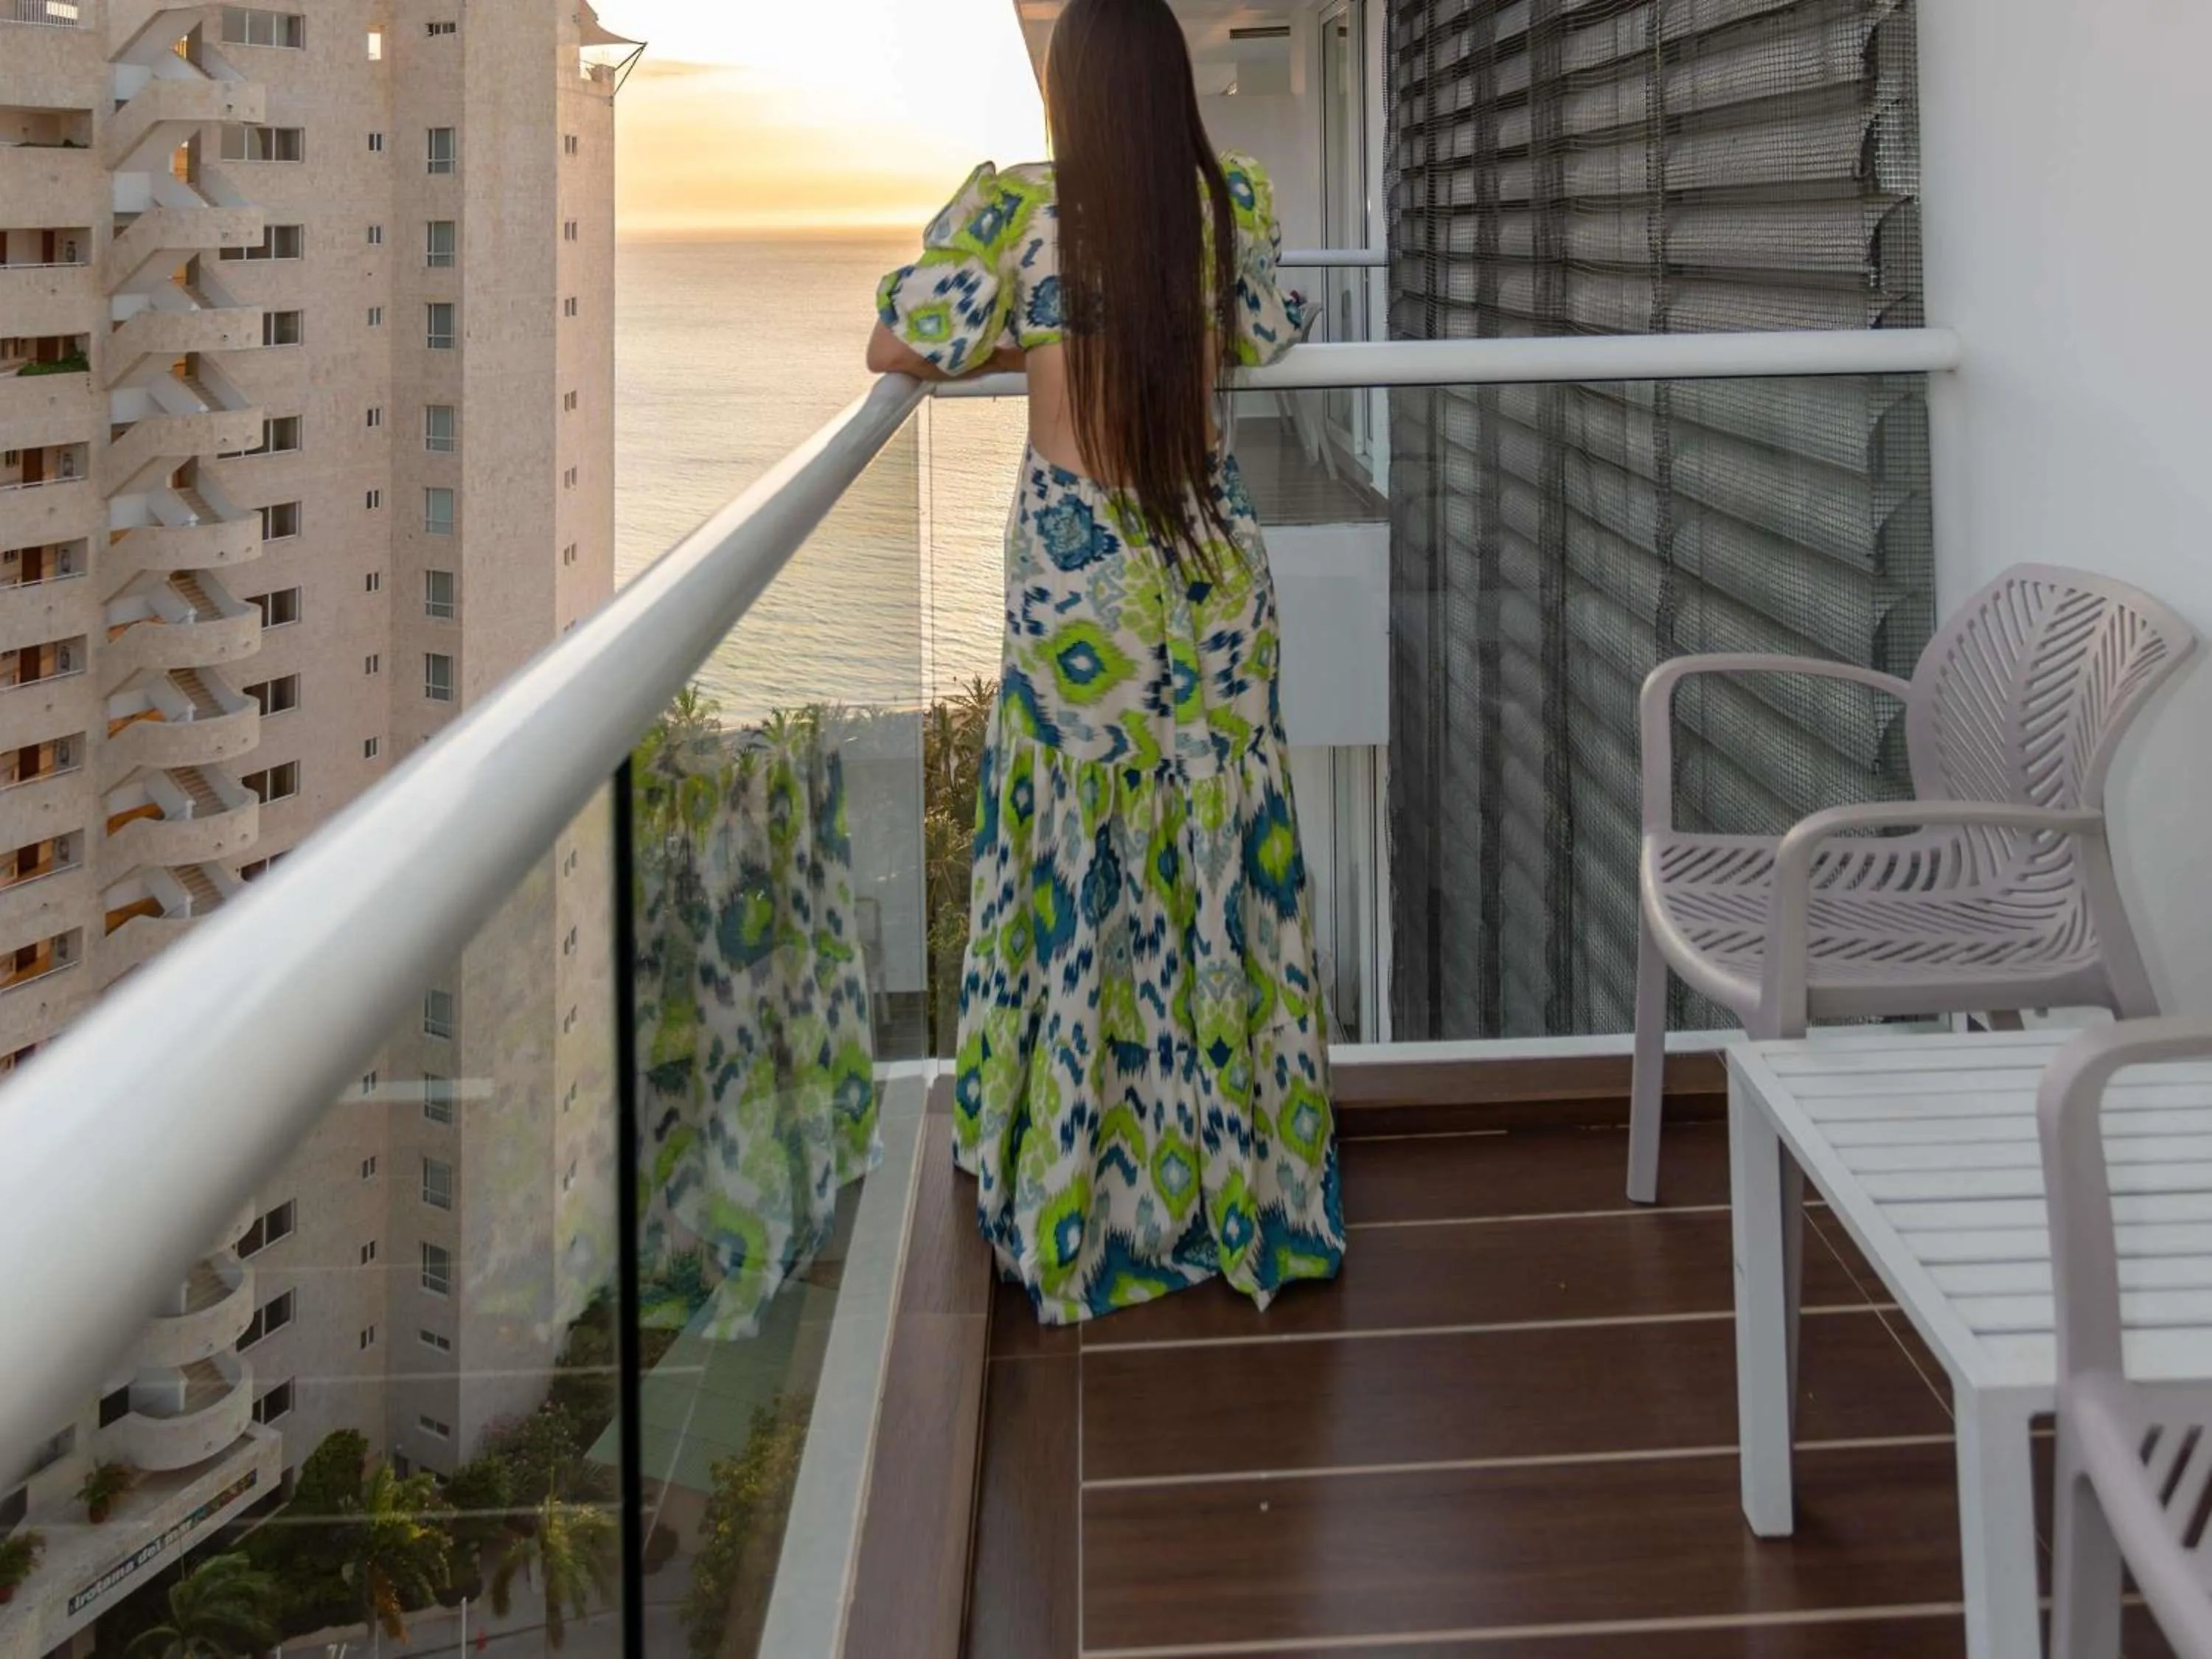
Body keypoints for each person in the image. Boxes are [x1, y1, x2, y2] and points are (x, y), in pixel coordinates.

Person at [867, 0, 1341, 1325]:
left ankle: (1086, 1180)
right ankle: (1237, 1179)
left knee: (1081, 862)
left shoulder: (1021, 215)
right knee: (1217, 856)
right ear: (1168, 88)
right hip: (1213, 575)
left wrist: (1023, 339)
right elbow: (1267, 334)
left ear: (1067, 93)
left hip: (1084, 591)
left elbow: (897, 346)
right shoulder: (1220, 212)